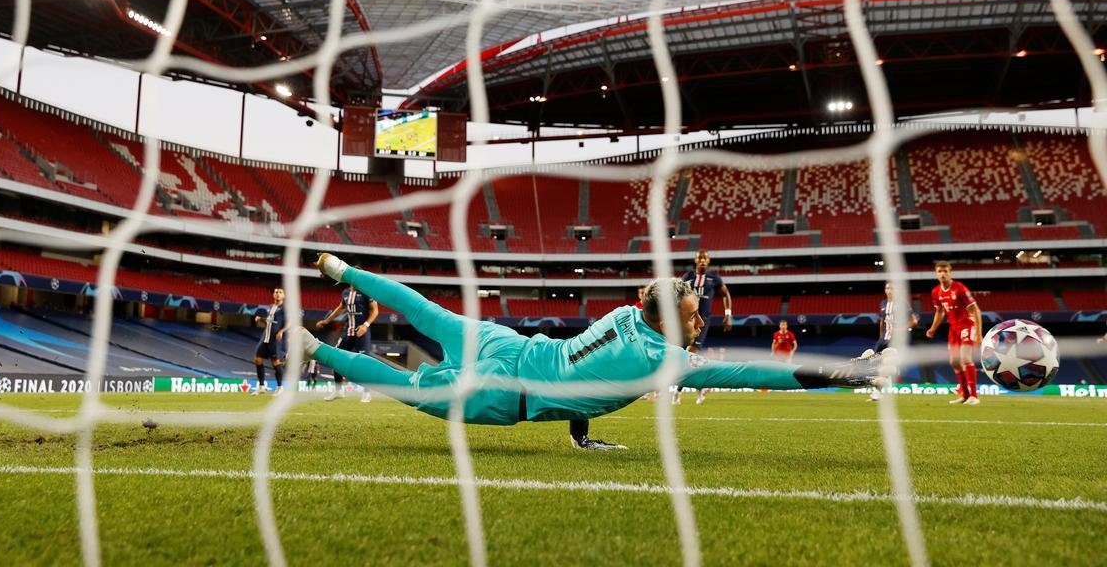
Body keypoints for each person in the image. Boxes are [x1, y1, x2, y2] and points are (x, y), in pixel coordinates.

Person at [296, 254, 888, 441]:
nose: (701, 316)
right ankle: (311, 347)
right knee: (402, 383)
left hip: (511, 345)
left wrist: (580, 430)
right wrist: (837, 372)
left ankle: (342, 268)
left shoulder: (627, 311)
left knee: (424, 311)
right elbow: (757, 374)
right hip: (505, 392)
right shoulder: (668, 362)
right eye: (692, 312)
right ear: (670, 322)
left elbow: (590, 371)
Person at [925, 261, 983, 406]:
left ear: (950, 273)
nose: (942, 274)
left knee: (965, 358)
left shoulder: (959, 288)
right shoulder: (936, 292)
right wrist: (933, 328)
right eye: (939, 271)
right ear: (936, 273)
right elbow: (939, 311)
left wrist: (979, 333)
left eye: (945, 271)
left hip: (967, 324)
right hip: (954, 328)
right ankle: (965, 395)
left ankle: (974, 396)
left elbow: (976, 310)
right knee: (954, 362)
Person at [317, 273, 380, 402]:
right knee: (335, 357)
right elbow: (340, 308)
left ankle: (367, 392)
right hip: (348, 332)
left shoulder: (367, 291)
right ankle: (339, 390)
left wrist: (365, 325)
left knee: (364, 362)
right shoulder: (345, 292)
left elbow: (375, 311)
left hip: (362, 332)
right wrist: (327, 321)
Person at [680, 250, 733, 404]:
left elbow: (726, 294)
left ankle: (678, 392)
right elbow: (677, 294)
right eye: (700, 258)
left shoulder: (713, 277)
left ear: (708, 261)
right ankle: (699, 389)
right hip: (686, 320)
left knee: (689, 355)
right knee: (687, 356)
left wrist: (728, 314)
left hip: (702, 321)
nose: (702, 260)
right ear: (696, 260)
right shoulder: (688, 277)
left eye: (705, 258)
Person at [867, 281, 919, 401]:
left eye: (892, 288)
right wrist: (880, 337)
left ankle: (877, 393)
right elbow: (882, 321)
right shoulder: (883, 303)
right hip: (883, 339)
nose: (889, 290)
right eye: (887, 288)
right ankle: (877, 392)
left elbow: (914, 321)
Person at [253, 288, 287, 396]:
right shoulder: (270, 307)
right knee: (258, 360)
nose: (277, 294)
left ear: (284, 296)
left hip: (274, 339)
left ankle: (280, 388)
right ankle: (262, 387)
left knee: (276, 363)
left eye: (280, 292)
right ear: (273, 294)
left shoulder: (284, 309)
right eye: (276, 292)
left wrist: (281, 331)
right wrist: (261, 319)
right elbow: (270, 322)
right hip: (265, 338)